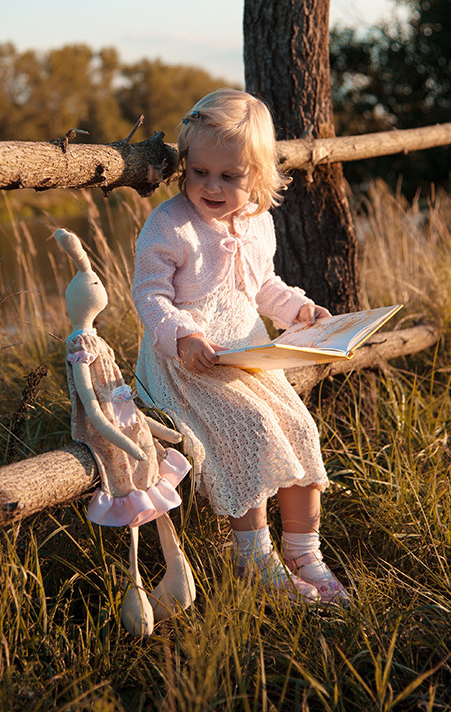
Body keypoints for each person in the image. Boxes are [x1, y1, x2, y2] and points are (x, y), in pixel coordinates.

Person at [131, 88, 349, 604]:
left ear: (257, 174)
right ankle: (254, 558)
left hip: (247, 354)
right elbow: (149, 294)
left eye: (229, 176)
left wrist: (298, 310)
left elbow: (263, 285)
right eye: (199, 171)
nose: (211, 186)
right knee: (250, 429)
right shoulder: (170, 225)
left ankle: (304, 553)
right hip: (189, 362)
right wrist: (181, 335)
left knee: (299, 426)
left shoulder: (256, 221)